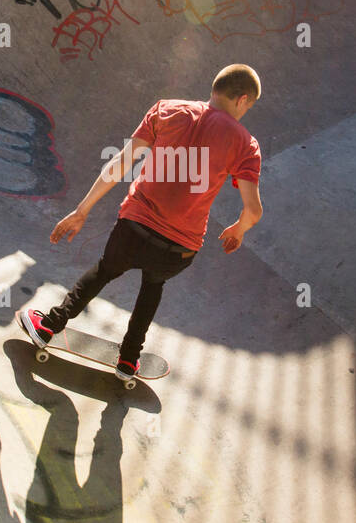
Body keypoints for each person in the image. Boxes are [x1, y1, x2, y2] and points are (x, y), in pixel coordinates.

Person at [19, 64, 263, 380]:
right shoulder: (246, 145)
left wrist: (83, 209)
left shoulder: (167, 109)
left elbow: (121, 163)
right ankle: (128, 360)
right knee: (154, 285)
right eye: (248, 108)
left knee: (105, 271)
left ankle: (49, 326)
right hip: (180, 250)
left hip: (133, 229)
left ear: (216, 88)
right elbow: (253, 210)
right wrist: (239, 228)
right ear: (242, 100)